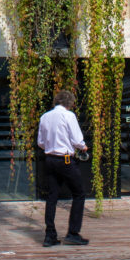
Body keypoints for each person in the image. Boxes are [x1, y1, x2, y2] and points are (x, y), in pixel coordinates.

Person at [36, 90, 89, 247]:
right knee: (79, 193)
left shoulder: (45, 117)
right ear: (70, 103)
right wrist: (83, 147)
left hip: (50, 159)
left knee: (52, 196)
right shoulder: (69, 116)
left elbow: (40, 142)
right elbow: (77, 139)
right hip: (65, 159)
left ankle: (49, 235)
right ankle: (73, 233)